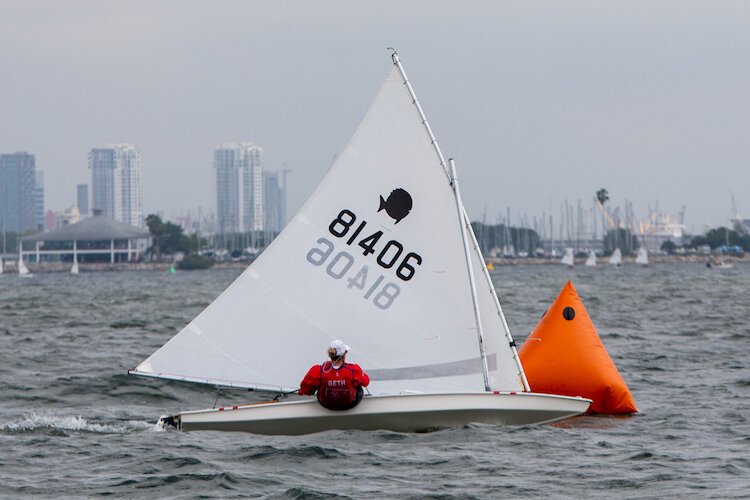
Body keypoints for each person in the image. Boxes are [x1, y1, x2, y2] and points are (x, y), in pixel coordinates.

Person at [299, 340, 370, 411]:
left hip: (326, 404)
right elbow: (366, 382)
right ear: (344, 355)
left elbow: (306, 390)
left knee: (318, 383)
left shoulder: (318, 370)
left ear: (330, 355)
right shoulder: (354, 370)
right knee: (358, 386)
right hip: (349, 405)